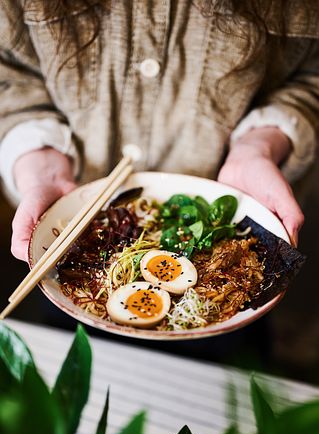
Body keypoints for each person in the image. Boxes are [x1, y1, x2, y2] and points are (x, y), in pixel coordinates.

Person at [1, 0, 319, 261]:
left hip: (232, 235)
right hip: (72, 232)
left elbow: (311, 76)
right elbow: (10, 78)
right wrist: (39, 164)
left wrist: (259, 146)